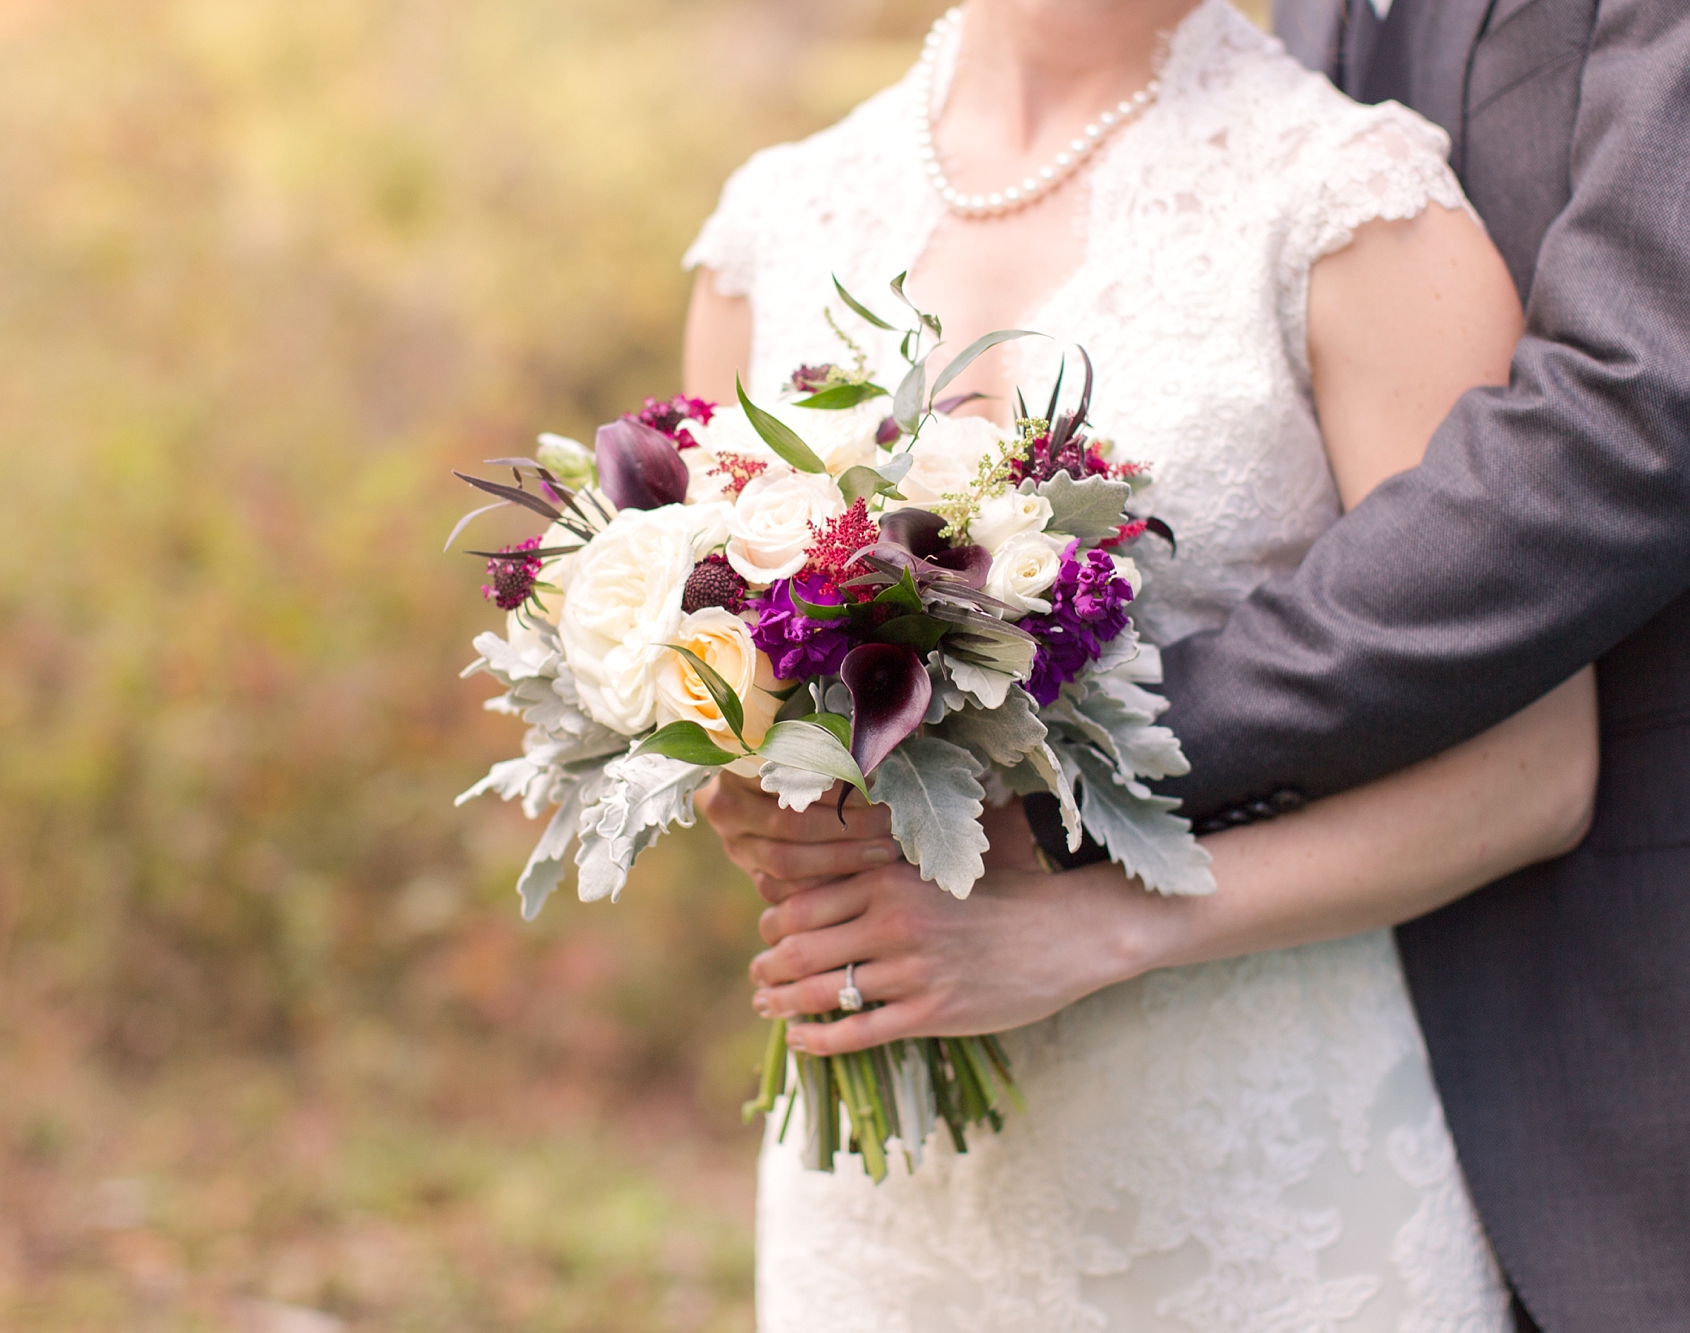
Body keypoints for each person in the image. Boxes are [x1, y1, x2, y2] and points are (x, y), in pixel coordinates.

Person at [696, 0, 1690, 1328]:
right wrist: (767, 806)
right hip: (889, 1217)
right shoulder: (774, 222)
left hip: (1268, 1177)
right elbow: (721, 696)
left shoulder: (1356, 200)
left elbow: (1531, 775)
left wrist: (1088, 925)